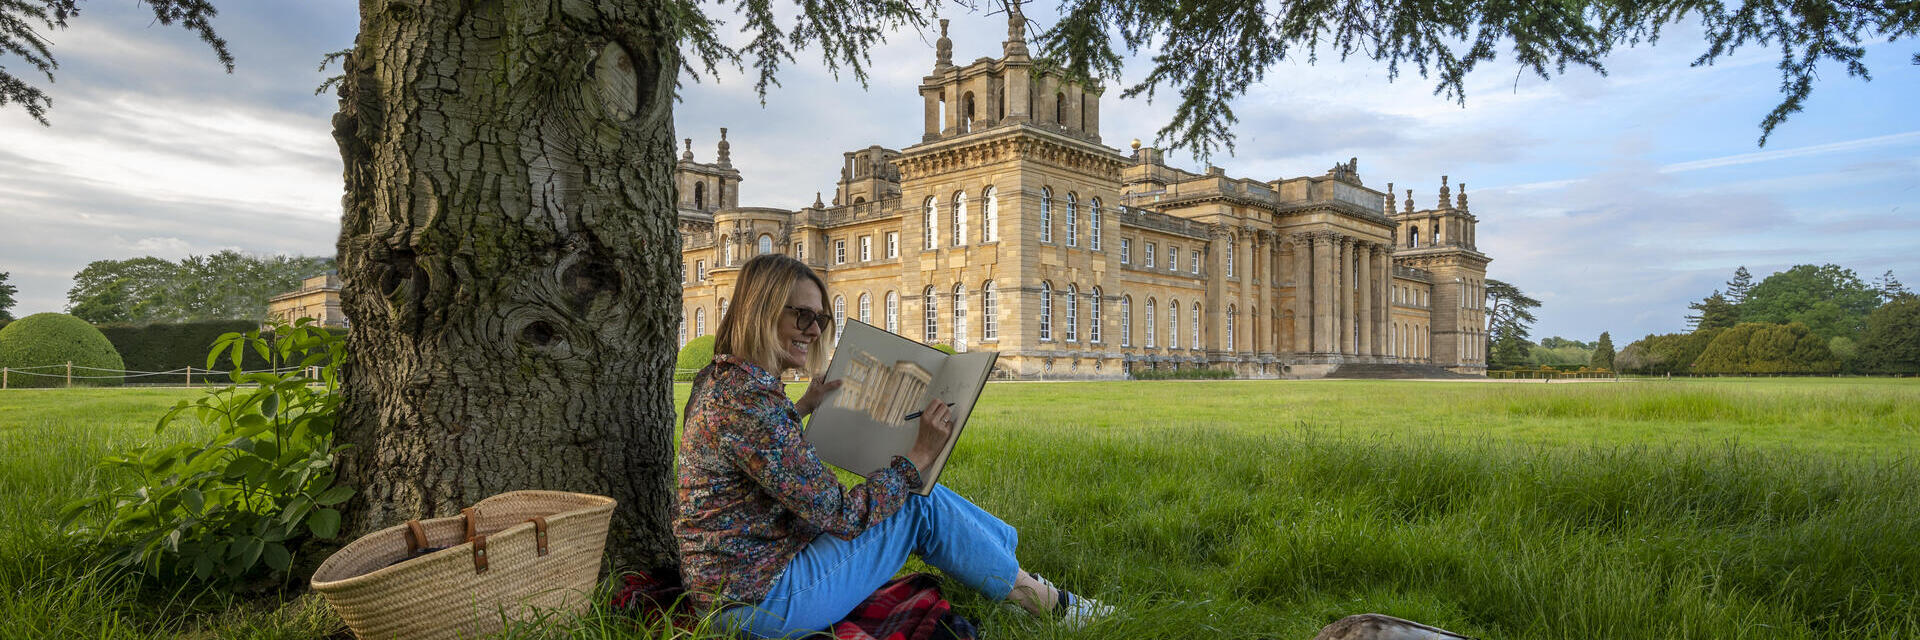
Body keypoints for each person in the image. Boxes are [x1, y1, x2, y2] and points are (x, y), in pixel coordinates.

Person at [675, 253, 1109, 638]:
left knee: (918, 494)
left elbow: (755, 452)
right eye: (802, 316)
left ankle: (1010, 571)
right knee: (915, 502)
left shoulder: (725, 381)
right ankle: (1047, 603)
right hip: (756, 607)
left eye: (821, 319)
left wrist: (803, 406)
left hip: (733, 588)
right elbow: (842, 515)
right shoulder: (748, 403)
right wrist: (918, 456)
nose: (812, 330)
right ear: (762, 311)